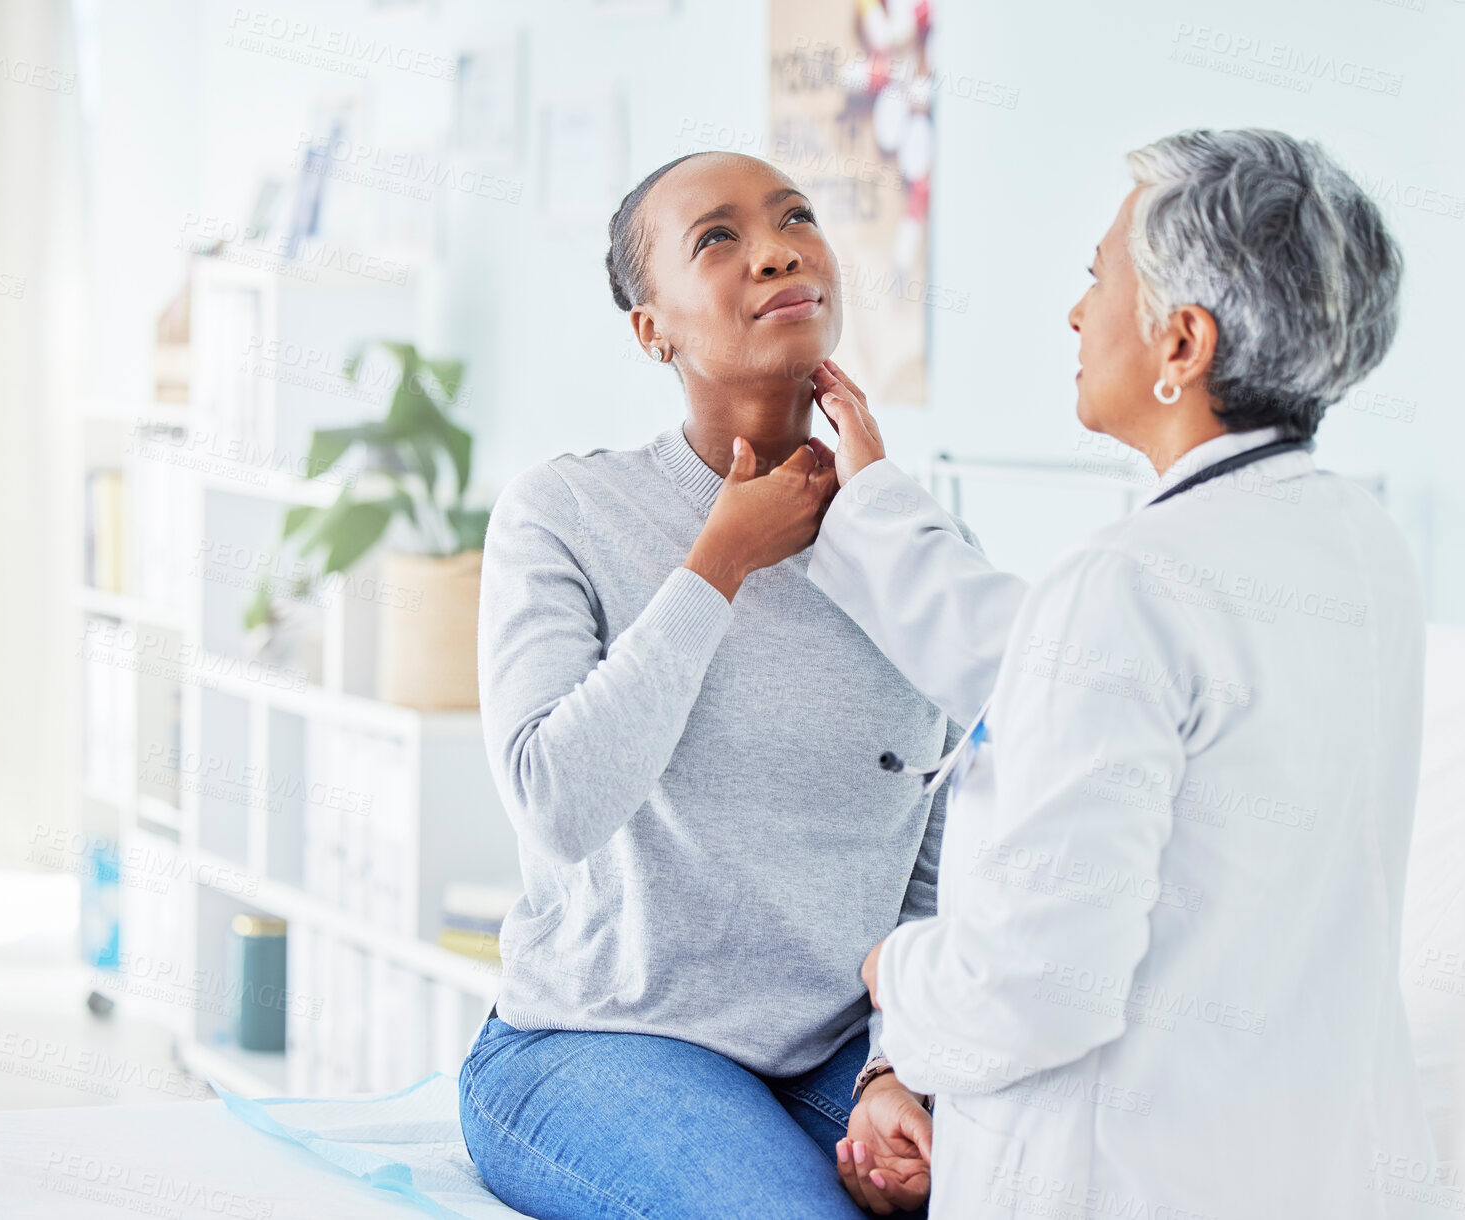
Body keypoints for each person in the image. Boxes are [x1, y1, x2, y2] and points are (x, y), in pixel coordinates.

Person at [804, 129, 1435, 1219]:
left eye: (1098, 276)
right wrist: (875, 505)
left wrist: (893, 974)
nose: (1077, 312)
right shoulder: (1359, 543)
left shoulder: (1131, 582)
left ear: (1182, 341)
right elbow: (1049, 665)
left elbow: (1038, 986)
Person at [458, 151, 959, 1217]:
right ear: (654, 329)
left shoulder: (914, 552)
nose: (776, 246)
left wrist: (893, 1068)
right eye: (717, 237)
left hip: (828, 1050)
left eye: (796, 218)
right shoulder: (564, 513)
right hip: (597, 1040)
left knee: (1045, 1177)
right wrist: (717, 563)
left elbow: (937, 863)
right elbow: (558, 801)